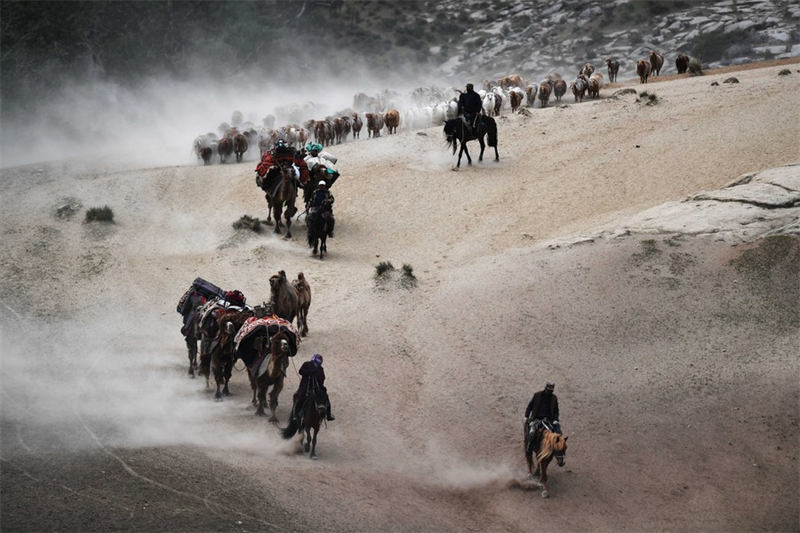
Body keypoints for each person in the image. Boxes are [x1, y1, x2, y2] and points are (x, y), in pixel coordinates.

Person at [291, 353, 335, 422]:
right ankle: (295, 415)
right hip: (305, 386)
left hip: (317, 387)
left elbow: (322, 378)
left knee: (325, 396)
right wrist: (310, 372)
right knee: (299, 397)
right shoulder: (306, 364)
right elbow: (301, 371)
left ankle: (328, 415)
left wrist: (318, 380)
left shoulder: (320, 369)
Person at [524, 382, 561, 448]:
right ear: (546, 388)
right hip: (537, 419)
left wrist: (556, 420)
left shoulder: (554, 398)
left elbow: (556, 411)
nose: (550, 391)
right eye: (549, 389)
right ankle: (528, 447)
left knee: (558, 433)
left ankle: (558, 450)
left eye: (551, 390)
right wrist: (526, 416)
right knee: (532, 433)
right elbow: (530, 406)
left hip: (549, 420)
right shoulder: (537, 395)